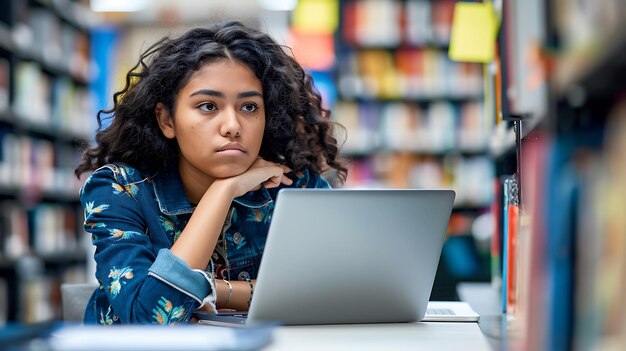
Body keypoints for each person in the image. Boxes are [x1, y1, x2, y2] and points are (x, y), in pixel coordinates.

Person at [75, 21, 348, 325]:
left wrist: (212, 292)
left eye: (249, 107)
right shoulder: (120, 189)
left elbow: (338, 291)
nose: (232, 126)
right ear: (166, 120)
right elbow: (148, 319)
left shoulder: (296, 186)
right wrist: (223, 191)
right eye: (208, 106)